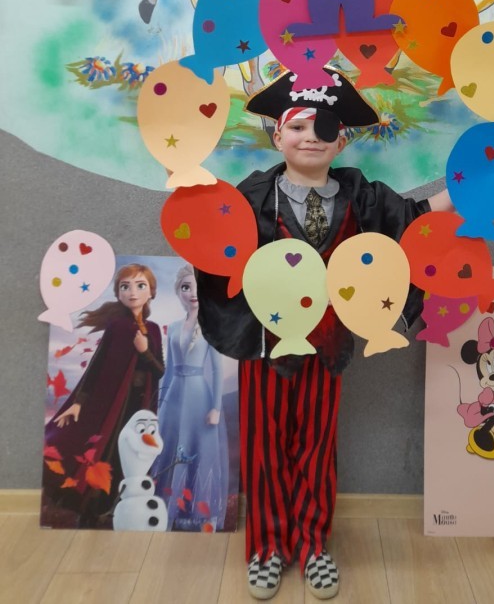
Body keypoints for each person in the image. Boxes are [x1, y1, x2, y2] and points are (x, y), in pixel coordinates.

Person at [197, 68, 452, 599]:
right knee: (264, 447)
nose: (310, 136)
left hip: (327, 340)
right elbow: (218, 251)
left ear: (342, 140)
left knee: (316, 444)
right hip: (265, 344)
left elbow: (412, 222)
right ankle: (267, 548)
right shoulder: (253, 197)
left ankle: (313, 544)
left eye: (325, 127)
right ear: (277, 135)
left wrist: (472, 192)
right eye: (297, 126)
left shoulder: (361, 196)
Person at [42, 263, 164, 528]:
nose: (132, 292)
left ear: (151, 292)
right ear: (118, 293)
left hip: (139, 405)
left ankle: (117, 506)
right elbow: (96, 365)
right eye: (125, 287)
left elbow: (160, 370)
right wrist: (78, 402)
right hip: (110, 402)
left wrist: (144, 350)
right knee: (105, 449)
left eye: (140, 286)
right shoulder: (117, 326)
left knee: (128, 453)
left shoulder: (153, 329)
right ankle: (93, 507)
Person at [152, 263, 228, 530]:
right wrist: (160, 402)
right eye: (186, 287)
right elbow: (169, 368)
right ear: (178, 291)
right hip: (174, 394)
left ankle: (196, 512)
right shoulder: (173, 328)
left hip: (199, 397)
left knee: (197, 448)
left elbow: (217, 369)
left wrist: (216, 407)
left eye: (197, 287)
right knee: (170, 445)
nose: (192, 293)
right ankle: (165, 507)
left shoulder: (211, 327)